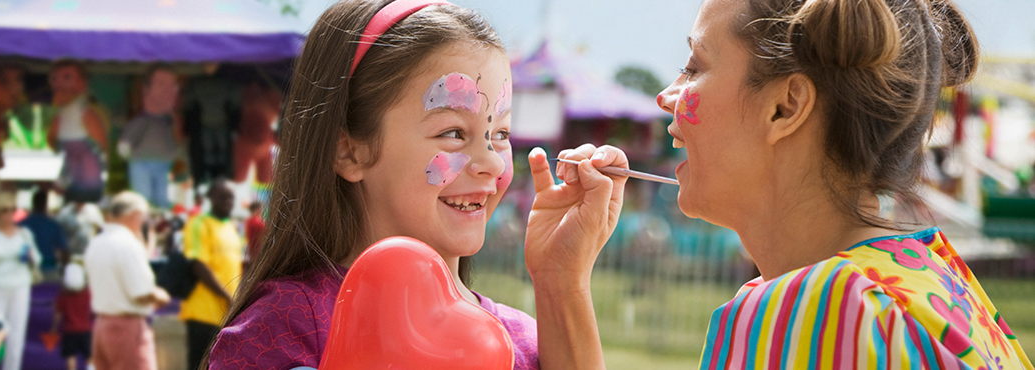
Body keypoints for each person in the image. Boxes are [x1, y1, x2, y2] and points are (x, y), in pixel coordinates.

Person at [525, 0, 1035, 368]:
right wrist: (562, 282)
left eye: (694, 66)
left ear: (785, 107)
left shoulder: (817, 308)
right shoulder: (935, 280)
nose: (666, 96)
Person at [206, 1, 537, 369]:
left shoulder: (525, 339)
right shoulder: (285, 328)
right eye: (453, 132)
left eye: (501, 132)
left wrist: (564, 285)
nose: (492, 161)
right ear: (349, 153)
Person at [83, 191, 170, 370]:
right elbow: (141, 292)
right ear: (135, 216)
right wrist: (160, 296)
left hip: (102, 325)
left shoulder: (96, 242)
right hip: (127, 327)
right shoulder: (127, 243)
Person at [181, 179, 243, 370]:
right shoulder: (199, 223)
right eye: (223, 196)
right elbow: (199, 265)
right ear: (211, 197)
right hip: (203, 314)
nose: (228, 201)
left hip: (226, 315)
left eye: (231, 197)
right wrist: (228, 297)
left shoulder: (231, 227)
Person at [0, 192, 42, 370]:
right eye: (4, 210)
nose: (9, 214)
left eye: (12, 210)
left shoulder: (24, 233)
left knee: (16, 336)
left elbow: (38, 259)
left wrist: (30, 256)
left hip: (20, 286)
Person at [119, 63, 184, 209]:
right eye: (161, 84)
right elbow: (125, 145)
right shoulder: (142, 121)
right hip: (141, 162)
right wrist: (127, 152)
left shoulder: (171, 121)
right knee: (143, 197)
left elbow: (178, 142)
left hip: (164, 164)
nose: (168, 91)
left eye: (173, 85)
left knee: (162, 197)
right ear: (145, 90)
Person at [47, 60, 108, 202]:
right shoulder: (59, 112)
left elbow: (100, 138)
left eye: (67, 77)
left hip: (85, 152)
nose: (60, 83)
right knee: (71, 175)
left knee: (87, 174)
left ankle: (88, 196)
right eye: (55, 78)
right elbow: (52, 134)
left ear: (83, 82)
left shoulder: (85, 111)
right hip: (67, 151)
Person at [51, 258, 92, 370]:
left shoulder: (63, 296)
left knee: (70, 356)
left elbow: (57, 314)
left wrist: (54, 328)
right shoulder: (88, 294)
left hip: (69, 331)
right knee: (89, 357)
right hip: (86, 331)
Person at [19, 189, 68, 273]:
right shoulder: (53, 225)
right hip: (48, 269)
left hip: (28, 270)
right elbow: (64, 250)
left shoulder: (22, 224)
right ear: (45, 204)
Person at [242, 201, 264, 273]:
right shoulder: (258, 222)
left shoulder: (248, 221)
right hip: (259, 253)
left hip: (252, 252)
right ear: (257, 209)